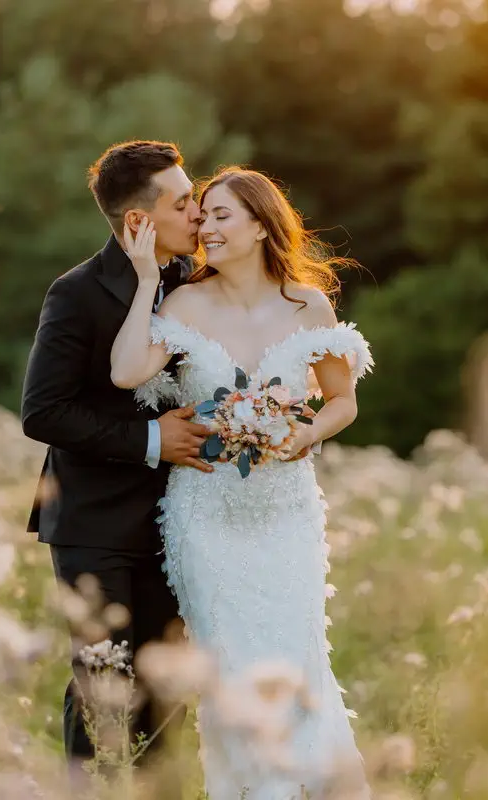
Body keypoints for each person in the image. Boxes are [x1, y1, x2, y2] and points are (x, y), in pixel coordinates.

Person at [109, 166, 374, 798]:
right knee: (233, 667)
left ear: (260, 223)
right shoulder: (182, 303)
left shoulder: (307, 304)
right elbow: (124, 373)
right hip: (206, 517)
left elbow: (342, 402)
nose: (204, 227)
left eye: (220, 215)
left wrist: (305, 433)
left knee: (298, 657)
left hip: (287, 515)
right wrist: (147, 279)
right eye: (201, 215)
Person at [20, 140, 214, 783]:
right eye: (183, 202)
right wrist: (152, 441)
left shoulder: (201, 284)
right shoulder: (76, 292)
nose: (199, 211)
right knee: (101, 686)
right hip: (93, 525)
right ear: (139, 221)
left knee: (168, 696)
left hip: (179, 522)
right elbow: (43, 411)